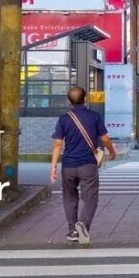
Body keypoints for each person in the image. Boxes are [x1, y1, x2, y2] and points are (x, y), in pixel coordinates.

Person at [50, 86, 117, 246]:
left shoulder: (64, 119)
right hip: (88, 164)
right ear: (85, 99)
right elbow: (105, 138)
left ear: (69, 101)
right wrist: (112, 152)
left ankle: (73, 230)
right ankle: (83, 223)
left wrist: (53, 167)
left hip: (68, 165)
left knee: (70, 198)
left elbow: (58, 144)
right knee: (90, 198)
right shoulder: (94, 117)